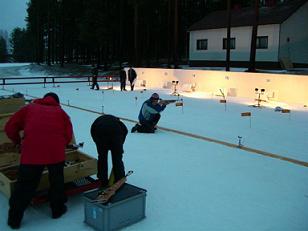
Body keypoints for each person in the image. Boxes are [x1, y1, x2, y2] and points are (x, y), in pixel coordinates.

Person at [4, 92, 73, 229]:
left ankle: (14, 219)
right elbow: (68, 134)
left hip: (32, 152)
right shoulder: (61, 112)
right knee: (57, 182)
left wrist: (18, 141)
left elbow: (10, 127)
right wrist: (60, 145)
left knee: (25, 185)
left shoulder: (29, 108)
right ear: (56, 101)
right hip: (55, 153)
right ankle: (57, 210)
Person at [90, 114, 128, 188]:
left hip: (99, 133)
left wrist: (98, 143)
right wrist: (119, 147)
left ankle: (102, 179)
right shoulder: (120, 124)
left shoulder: (98, 122)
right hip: (110, 134)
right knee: (117, 158)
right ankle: (119, 179)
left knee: (102, 157)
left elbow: (93, 132)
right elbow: (125, 132)